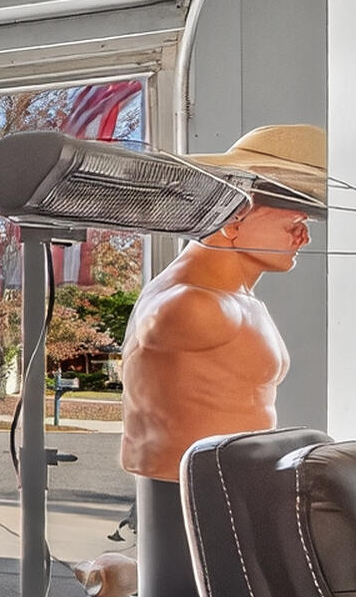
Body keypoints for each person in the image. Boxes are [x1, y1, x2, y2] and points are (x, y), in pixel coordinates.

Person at [118, 125, 326, 481]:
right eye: (292, 223)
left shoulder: (235, 299)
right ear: (232, 221)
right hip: (189, 498)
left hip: (239, 488)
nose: (303, 237)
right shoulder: (190, 305)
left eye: (306, 222)